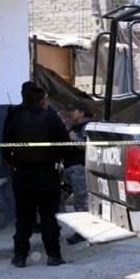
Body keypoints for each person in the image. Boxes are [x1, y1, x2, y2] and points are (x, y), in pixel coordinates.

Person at [2, 85, 72, 267]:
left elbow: (5, 147)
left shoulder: (14, 117)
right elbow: (65, 143)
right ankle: (54, 255)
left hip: (22, 175)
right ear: (42, 100)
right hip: (47, 174)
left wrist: (12, 164)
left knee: (23, 216)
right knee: (48, 216)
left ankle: (20, 256)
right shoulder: (51, 117)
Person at [63, 101, 93, 245]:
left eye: (73, 110)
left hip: (79, 168)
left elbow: (86, 146)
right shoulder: (75, 126)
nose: (70, 113)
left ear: (81, 112)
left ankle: (83, 232)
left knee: (81, 202)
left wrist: (74, 139)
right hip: (71, 167)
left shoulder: (87, 127)